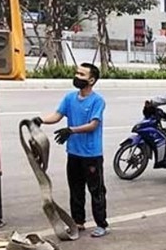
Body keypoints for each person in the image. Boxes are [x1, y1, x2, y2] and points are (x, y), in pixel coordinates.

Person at [33, 63, 109, 237]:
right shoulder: (69, 98)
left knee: (96, 190)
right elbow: (57, 115)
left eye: (81, 74)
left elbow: (93, 124)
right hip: (73, 153)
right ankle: (78, 222)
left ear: (91, 80)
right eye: (76, 73)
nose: (77, 76)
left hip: (91, 154)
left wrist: (71, 130)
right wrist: (40, 120)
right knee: (75, 189)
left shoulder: (97, 101)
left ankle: (102, 224)